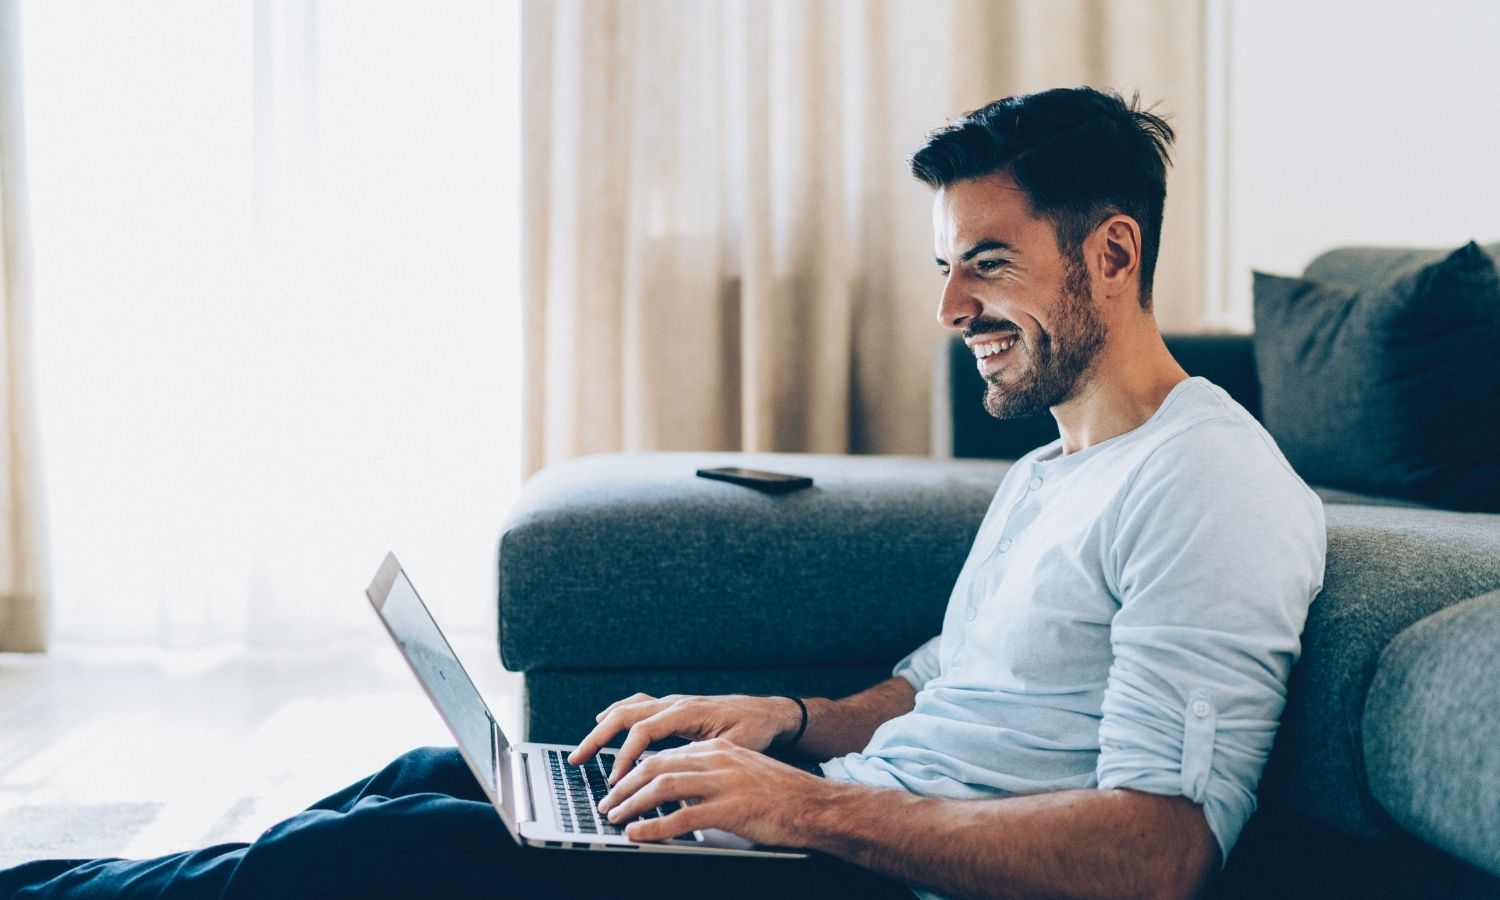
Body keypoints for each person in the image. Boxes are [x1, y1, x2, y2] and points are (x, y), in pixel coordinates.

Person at [0, 86, 1324, 900]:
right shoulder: (1057, 465)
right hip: (845, 827)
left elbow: (1159, 858)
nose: (949, 307)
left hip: (872, 876)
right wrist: (787, 721)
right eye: (943, 264)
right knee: (441, 782)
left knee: (394, 861)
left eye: (988, 261)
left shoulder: (1208, 484)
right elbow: (950, 685)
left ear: (1112, 251)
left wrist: (815, 810)